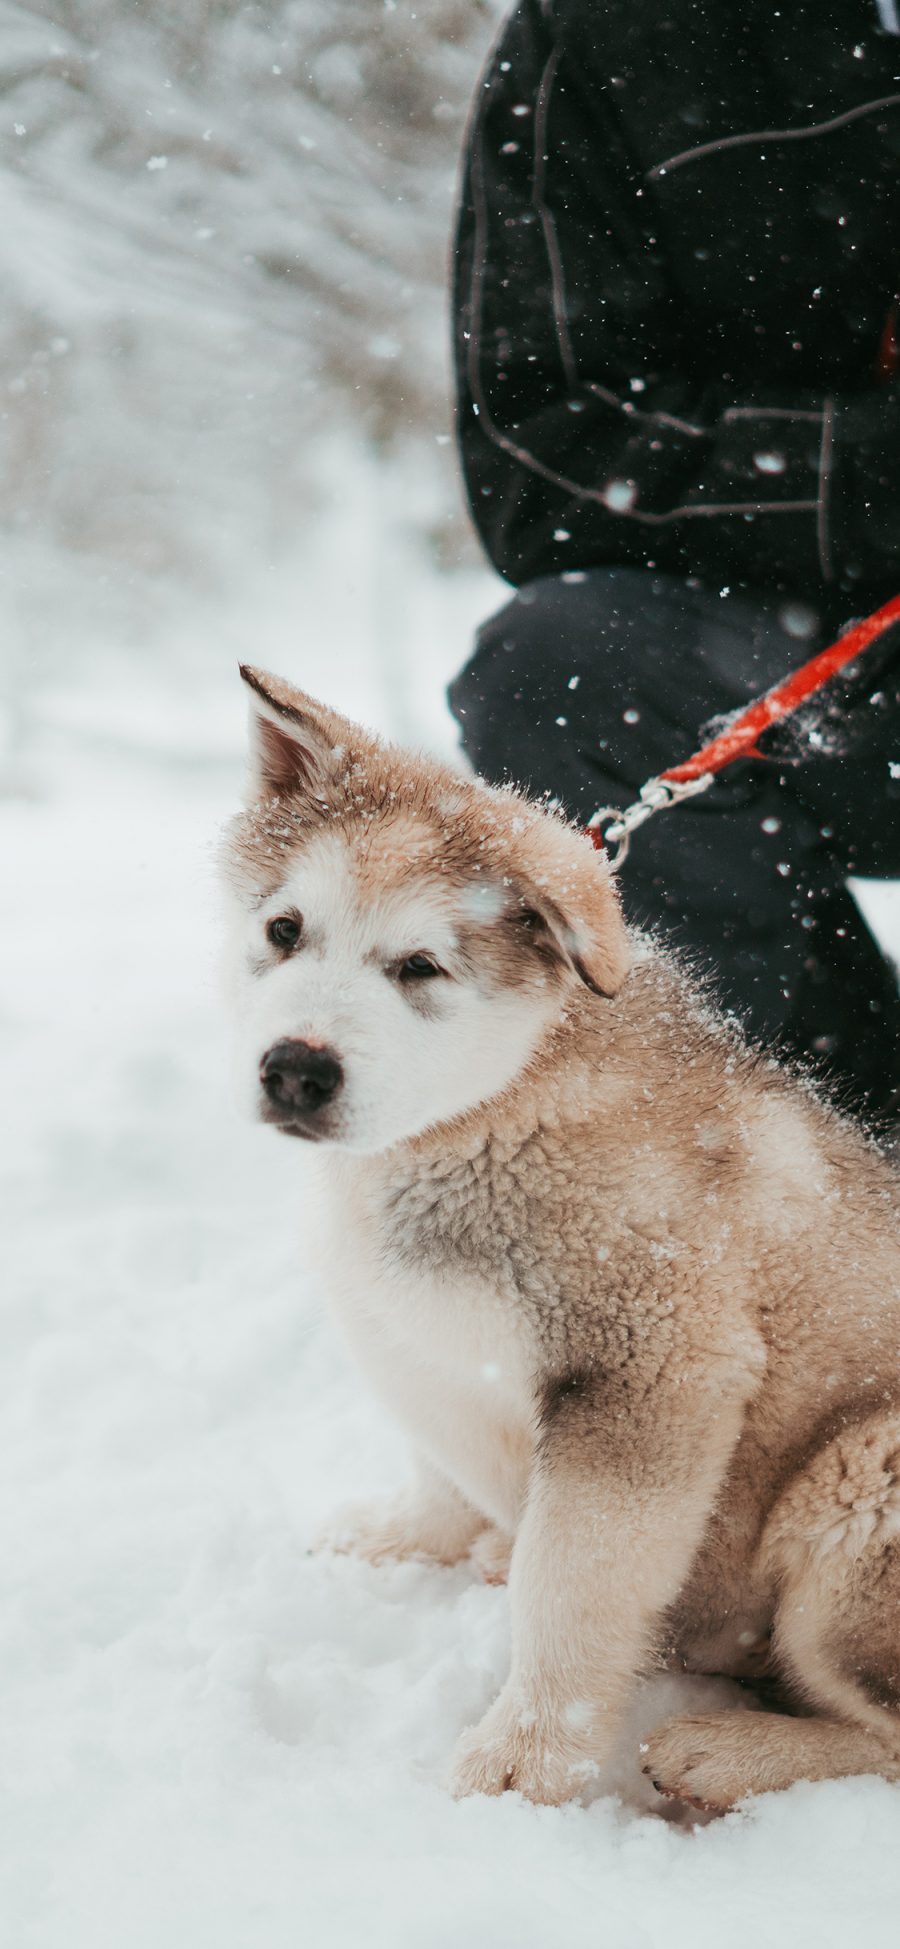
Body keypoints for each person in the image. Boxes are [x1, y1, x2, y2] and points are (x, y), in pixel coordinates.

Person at [448, 0, 900, 1125]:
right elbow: (545, 453)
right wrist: (868, 474)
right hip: (803, 672)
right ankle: (817, 1158)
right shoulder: (606, 32)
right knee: (567, 671)